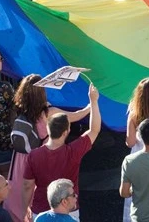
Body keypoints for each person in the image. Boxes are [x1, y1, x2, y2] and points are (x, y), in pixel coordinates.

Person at [24, 83, 102, 217]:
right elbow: (94, 130)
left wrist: (25, 208)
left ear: (48, 129)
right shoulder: (73, 151)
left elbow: (27, 186)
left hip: (40, 209)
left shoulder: (33, 155)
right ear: (67, 131)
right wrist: (93, 101)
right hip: (69, 211)